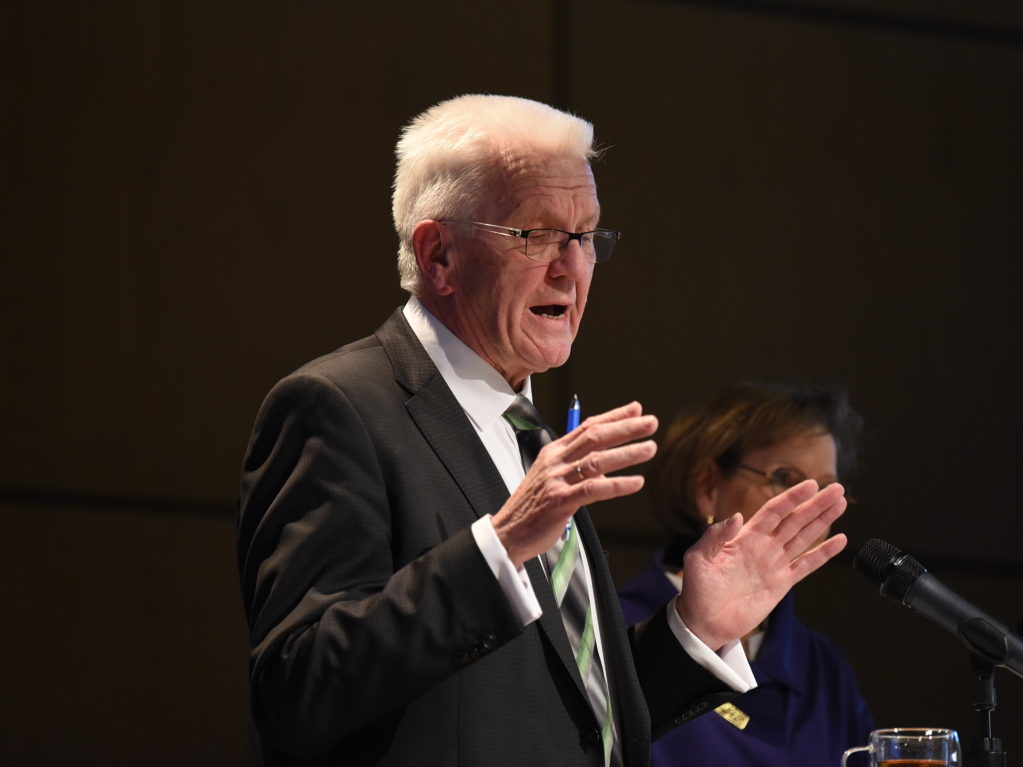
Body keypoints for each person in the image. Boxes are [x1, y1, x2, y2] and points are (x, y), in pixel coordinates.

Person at [236, 95, 849, 767]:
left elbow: (572, 720)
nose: (571, 267)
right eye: (534, 235)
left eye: (584, 236)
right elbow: (296, 688)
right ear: (437, 254)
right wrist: (498, 547)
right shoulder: (338, 407)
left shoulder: (533, 435)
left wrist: (695, 629)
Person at [618, 383, 874, 767]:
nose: (811, 507)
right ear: (708, 487)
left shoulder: (824, 668)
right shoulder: (611, 628)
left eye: (824, 490)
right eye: (787, 478)